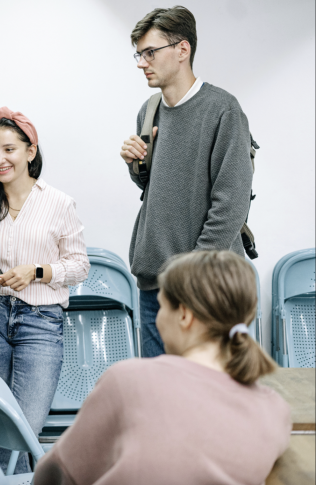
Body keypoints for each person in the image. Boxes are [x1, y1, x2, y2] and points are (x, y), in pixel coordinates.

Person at [34, 250, 291, 485]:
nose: (157, 318)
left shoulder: (128, 380)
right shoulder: (275, 411)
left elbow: (56, 475)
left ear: (184, 315)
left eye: (162, 305)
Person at [119, 6, 255, 357]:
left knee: (209, 400)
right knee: (159, 399)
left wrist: (191, 275)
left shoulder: (222, 110)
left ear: (182, 50)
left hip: (205, 288)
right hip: (154, 285)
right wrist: (138, 166)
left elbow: (231, 204)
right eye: (139, 53)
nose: (141, 62)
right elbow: (157, 189)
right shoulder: (148, 111)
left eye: (150, 52)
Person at [0, 107, 90, 474]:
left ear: (30, 151)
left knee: (23, 426)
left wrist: (36, 271)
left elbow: (79, 266)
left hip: (41, 320)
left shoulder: (59, 203)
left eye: (8, 149)